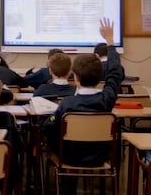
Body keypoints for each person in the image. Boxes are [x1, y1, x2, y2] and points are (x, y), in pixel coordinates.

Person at [42, 18, 124, 194]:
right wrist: (110, 42)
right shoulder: (107, 98)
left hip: (69, 156)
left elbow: (50, 125)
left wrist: (48, 121)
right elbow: (115, 72)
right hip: (99, 157)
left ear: (75, 78)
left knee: (54, 131)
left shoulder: (67, 104)